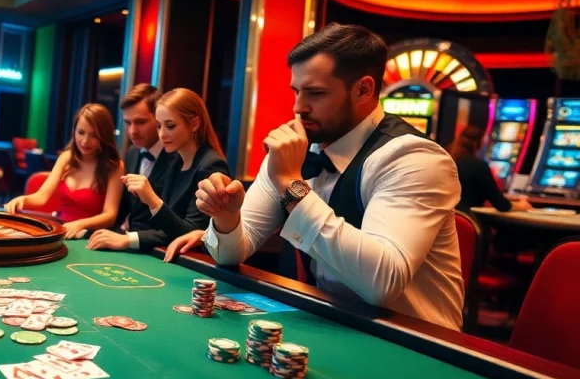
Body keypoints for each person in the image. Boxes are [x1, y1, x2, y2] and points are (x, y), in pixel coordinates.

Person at [167, 23, 464, 330]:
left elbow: (381, 284)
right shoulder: (298, 149)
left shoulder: (414, 159)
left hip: (418, 343)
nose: (298, 108)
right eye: (296, 91)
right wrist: (227, 220)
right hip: (334, 322)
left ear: (363, 89)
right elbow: (230, 253)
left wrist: (290, 184)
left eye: (316, 93)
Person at [88, 87, 228, 253]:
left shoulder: (210, 165)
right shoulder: (176, 160)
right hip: (164, 254)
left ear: (194, 124)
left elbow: (192, 235)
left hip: (195, 263)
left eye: (170, 126)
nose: (162, 134)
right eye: (159, 126)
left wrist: (151, 198)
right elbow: (169, 226)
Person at [4, 103, 124, 238]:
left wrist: (79, 225)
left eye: (94, 135)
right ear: (74, 131)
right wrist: (22, 200)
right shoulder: (66, 157)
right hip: (61, 231)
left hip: (90, 237)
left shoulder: (114, 166)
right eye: (81, 132)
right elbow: (41, 197)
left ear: (104, 136)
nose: (85, 141)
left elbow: (110, 215)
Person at [446, 125, 531, 212]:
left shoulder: (446, 160)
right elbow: (501, 204)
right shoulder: (478, 166)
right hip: (469, 221)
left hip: (444, 221)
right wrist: (522, 206)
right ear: (479, 143)